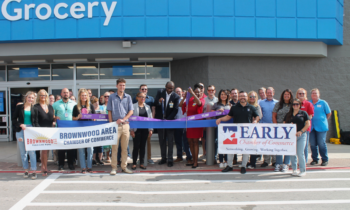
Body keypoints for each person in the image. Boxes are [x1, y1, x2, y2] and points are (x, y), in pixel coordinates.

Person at [216, 91, 260, 174]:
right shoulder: (234, 107)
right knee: (231, 149)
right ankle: (229, 166)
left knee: (245, 150)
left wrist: (255, 121)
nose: (242, 97)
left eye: (244, 96)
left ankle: (243, 166)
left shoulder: (251, 107)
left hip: (247, 133)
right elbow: (228, 116)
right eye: (241, 96)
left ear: (247, 97)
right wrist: (221, 119)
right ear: (239, 97)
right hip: (235, 132)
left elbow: (257, 116)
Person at [108, 78, 134, 175]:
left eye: (123, 85)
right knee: (114, 148)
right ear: (117, 86)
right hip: (115, 125)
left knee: (124, 148)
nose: (122, 87)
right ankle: (114, 168)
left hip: (125, 125)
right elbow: (109, 111)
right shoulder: (111, 97)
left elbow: (131, 111)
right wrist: (111, 124)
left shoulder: (128, 97)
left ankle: (124, 167)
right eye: (120, 85)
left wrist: (123, 119)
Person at [154, 81, 180, 167]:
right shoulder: (160, 92)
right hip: (160, 121)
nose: (170, 90)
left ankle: (170, 159)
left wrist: (168, 120)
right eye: (168, 88)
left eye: (171, 88)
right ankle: (163, 158)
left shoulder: (176, 96)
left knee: (170, 141)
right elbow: (155, 103)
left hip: (170, 122)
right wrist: (159, 101)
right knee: (162, 141)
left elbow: (175, 109)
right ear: (165, 87)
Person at [13, 91, 37, 179]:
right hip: (21, 130)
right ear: (26, 97)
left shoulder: (35, 108)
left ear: (34, 99)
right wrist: (20, 124)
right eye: (29, 97)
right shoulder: (19, 107)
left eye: (32, 98)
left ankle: (34, 171)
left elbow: (36, 121)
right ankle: (26, 170)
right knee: (23, 152)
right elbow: (14, 119)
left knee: (32, 151)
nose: (30, 99)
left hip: (31, 130)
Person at [284, 99, 310, 177]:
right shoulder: (288, 114)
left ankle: (302, 170)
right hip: (291, 137)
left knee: (300, 153)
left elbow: (307, 124)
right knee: (292, 153)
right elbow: (284, 124)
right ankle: (294, 169)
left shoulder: (303, 113)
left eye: (297, 104)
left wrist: (301, 131)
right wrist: (289, 126)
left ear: (300, 105)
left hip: (301, 136)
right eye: (294, 104)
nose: (295, 106)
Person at [180, 87, 205, 168]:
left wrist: (193, 94)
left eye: (198, 92)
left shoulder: (201, 100)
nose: (197, 93)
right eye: (195, 92)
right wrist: (184, 97)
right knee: (190, 142)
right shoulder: (189, 100)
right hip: (189, 124)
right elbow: (180, 105)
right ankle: (193, 160)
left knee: (195, 142)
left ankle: (195, 162)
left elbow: (199, 104)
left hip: (197, 124)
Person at [52, 88, 77, 170]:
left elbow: (76, 115)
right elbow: (52, 116)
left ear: (69, 94)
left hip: (71, 128)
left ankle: (70, 164)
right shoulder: (55, 104)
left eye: (67, 93)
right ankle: (61, 164)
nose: (66, 94)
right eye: (64, 93)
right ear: (61, 94)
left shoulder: (74, 104)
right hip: (60, 129)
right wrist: (55, 117)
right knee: (61, 148)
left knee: (70, 148)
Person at [72, 88, 95, 173]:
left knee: (90, 149)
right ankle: (83, 167)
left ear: (87, 96)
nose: (84, 97)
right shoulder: (76, 107)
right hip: (80, 130)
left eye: (85, 95)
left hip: (90, 130)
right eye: (82, 95)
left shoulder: (91, 106)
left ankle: (89, 166)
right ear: (79, 96)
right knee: (81, 150)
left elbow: (94, 118)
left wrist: (92, 119)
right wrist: (78, 117)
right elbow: (73, 118)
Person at [132, 84, 155, 164]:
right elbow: (131, 119)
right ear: (137, 98)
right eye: (141, 97)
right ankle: (134, 163)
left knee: (143, 147)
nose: (143, 98)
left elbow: (150, 118)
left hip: (145, 130)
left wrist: (151, 129)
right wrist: (131, 130)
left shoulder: (148, 107)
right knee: (136, 147)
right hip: (136, 130)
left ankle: (142, 163)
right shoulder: (133, 106)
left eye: (144, 97)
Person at [34, 89, 55, 176]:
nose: (43, 97)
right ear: (39, 97)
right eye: (41, 95)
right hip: (41, 132)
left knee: (47, 150)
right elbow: (35, 120)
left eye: (45, 95)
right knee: (44, 151)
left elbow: (51, 117)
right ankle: (44, 168)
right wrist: (40, 130)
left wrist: (55, 120)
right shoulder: (36, 107)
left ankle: (44, 166)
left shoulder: (50, 106)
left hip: (50, 131)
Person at [273, 89, 294, 172]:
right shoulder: (278, 104)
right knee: (279, 146)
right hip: (279, 128)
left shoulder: (293, 104)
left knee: (288, 146)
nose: (286, 96)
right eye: (285, 94)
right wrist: (276, 126)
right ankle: (278, 163)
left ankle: (286, 164)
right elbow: (274, 115)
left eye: (288, 94)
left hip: (289, 129)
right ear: (283, 95)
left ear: (290, 96)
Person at [309, 88, 331, 166]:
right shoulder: (309, 103)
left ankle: (325, 160)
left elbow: (328, 113)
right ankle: (315, 159)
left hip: (321, 127)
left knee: (321, 143)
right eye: (313, 93)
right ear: (311, 95)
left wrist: (323, 120)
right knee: (312, 144)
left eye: (316, 93)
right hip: (311, 127)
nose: (314, 94)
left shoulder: (323, 103)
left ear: (319, 94)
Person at [211, 89, 231, 168]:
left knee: (227, 143)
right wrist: (217, 112)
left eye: (225, 94)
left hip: (228, 127)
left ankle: (226, 160)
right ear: (219, 96)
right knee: (220, 144)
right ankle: (221, 161)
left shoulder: (230, 104)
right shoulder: (216, 104)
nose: (223, 96)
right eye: (222, 94)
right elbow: (211, 115)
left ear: (227, 96)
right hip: (219, 127)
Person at [259, 87, 278, 167]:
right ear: (266, 93)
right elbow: (260, 114)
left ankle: (274, 160)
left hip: (274, 126)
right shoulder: (261, 103)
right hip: (264, 126)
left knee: (274, 144)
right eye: (268, 92)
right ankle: (266, 161)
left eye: (271, 92)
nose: (269, 94)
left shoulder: (277, 102)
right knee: (265, 144)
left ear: (273, 93)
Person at [174, 87, 192, 164]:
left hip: (185, 123)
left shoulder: (187, 100)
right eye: (177, 91)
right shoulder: (174, 100)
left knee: (186, 142)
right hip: (176, 123)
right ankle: (179, 156)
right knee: (178, 141)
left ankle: (189, 157)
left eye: (179, 91)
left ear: (182, 92)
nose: (178, 93)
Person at [200, 85, 218, 161]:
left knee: (215, 140)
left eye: (212, 90)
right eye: (209, 90)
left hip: (215, 122)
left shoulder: (218, 100)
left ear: (215, 91)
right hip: (206, 122)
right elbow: (201, 112)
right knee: (206, 140)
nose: (211, 91)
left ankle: (214, 156)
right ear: (207, 91)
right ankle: (207, 155)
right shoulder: (203, 100)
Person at [296, 88, 314, 163]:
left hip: (305, 128)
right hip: (295, 128)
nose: (301, 95)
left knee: (304, 146)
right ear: (297, 94)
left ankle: (304, 162)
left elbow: (311, 115)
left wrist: (305, 122)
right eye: (299, 93)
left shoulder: (308, 104)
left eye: (302, 93)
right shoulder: (295, 104)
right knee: (296, 146)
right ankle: (297, 161)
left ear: (305, 95)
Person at [246, 91, 262, 169]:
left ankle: (253, 163)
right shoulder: (246, 105)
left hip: (254, 128)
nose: (252, 98)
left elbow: (259, 116)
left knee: (253, 146)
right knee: (246, 145)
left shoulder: (257, 106)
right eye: (251, 96)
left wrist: (255, 120)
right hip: (246, 128)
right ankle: (246, 162)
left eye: (254, 96)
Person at [100, 91, 111, 163]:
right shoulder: (101, 107)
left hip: (111, 125)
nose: (107, 98)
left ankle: (109, 156)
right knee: (105, 141)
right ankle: (105, 156)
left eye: (108, 96)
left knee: (111, 141)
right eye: (105, 96)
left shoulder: (113, 106)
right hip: (103, 126)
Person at [229, 88, 239, 164]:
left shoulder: (241, 102)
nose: (234, 94)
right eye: (233, 93)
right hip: (231, 126)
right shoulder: (229, 103)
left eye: (235, 93)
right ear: (231, 95)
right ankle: (234, 159)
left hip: (240, 125)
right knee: (232, 143)